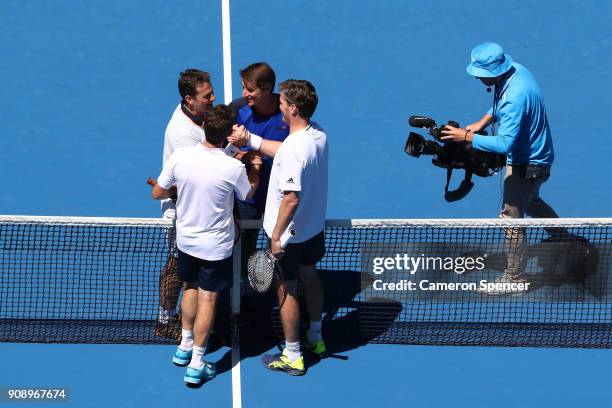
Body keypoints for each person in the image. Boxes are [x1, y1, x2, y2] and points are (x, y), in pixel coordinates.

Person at [151, 104, 261, 385]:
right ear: (227, 134)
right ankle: (198, 363)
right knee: (208, 299)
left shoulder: (180, 157)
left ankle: (184, 347)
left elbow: (157, 192)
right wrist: (256, 170)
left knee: (190, 288)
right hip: (215, 247)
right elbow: (248, 194)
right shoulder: (233, 167)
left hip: (186, 241)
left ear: (204, 128)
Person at [441, 42, 559, 295]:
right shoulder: (516, 70)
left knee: (510, 218)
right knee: (531, 199)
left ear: (494, 72)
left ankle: (514, 277)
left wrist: (466, 137)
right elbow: (501, 102)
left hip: (527, 163)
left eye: (480, 73)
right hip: (540, 155)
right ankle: (562, 237)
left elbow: (505, 143)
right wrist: (483, 121)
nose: (478, 77)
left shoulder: (513, 99)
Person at [229, 79, 328, 376]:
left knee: (286, 291)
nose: (279, 105)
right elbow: (284, 149)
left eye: (283, 102)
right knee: (310, 277)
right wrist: (252, 141)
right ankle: (316, 337)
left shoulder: (293, 151)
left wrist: (275, 238)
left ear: (293, 108)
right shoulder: (318, 133)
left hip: (289, 236)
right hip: (313, 229)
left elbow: (291, 199)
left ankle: (293, 354)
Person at [155, 69, 217, 340]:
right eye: (207, 96)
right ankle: (165, 320)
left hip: (193, 201)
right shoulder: (183, 137)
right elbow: (185, 183)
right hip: (181, 208)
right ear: (189, 100)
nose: (214, 98)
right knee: (176, 266)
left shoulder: (192, 113)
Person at [229, 62, 290, 278]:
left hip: (281, 193)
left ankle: (283, 283)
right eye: (243, 87)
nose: (245, 94)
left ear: (267, 89)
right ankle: (245, 287)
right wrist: (243, 156)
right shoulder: (237, 109)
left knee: (282, 243)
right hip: (248, 194)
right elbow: (220, 149)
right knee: (246, 243)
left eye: (250, 89)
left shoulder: (287, 111)